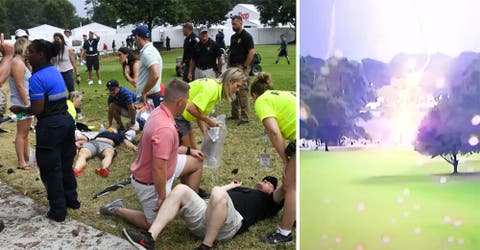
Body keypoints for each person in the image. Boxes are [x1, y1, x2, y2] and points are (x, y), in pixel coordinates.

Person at [99, 79, 204, 231]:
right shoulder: (165, 128)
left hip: (166, 166)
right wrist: (162, 197)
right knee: (154, 224)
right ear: (180, 102)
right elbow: (158, 169)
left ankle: (190, 203)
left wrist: (189, 151)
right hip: (149, 182)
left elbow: (167, 151)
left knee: (196, 162)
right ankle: (117, 209)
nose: (187, 104)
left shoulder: (160, 110)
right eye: (187, 100)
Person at [10, 39, 79, 222]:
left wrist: (19, 110)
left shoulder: (36, 79)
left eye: (31, 52)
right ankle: (72, 200)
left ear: (41, 54)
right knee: (65, 163)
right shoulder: (54, 72)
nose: (28, 56)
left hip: (50, 126)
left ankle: (58, 211)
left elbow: (37, 109)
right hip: (66, 122)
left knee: (50, 168)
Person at [122, 176, 284, 250]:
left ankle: (206, 246)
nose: (265, 182)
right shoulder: (243, 189)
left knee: (217, 193)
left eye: (270, 183)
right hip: (207, 214)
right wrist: (231, 185)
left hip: (229, 224)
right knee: (181, 189)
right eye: (264, 179)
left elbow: (285, 188)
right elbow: (217, 195)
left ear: (273, 192)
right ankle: (149, 238)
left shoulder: (268, 202)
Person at [250, 72, 296, 244]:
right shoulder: (282, 94)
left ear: (254, 95)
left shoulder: (261, 101)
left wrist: (285, 159)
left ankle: (284, 233)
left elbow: (274, 131)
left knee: (291, 186)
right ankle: (295, 215)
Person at [176, 68, 246, 149]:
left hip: (183, 117)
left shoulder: (216, 89)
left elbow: (199, 112)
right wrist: (209, 121)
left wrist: (206, 134)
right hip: (177, 114)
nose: (237, 90)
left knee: (194, 150)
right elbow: (191, 108)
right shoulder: (212, 89)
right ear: (230, 81)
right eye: (237, 86)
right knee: (188, 152)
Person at [8, 37, 33, 170]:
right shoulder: (17, 62)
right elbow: (19, 85)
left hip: (23, 102)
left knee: (25, 133)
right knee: (21, 133)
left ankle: (26, 158)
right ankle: (21, 162)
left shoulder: (21, 62)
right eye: (28, 48)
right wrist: (27, 103)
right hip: (21, 103)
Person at [73, 127, 138, 178]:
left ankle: (104, 169)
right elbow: (85, 138)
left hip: (107, 144)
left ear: (116, 131)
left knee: (109, 155)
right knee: (83, 154)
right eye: (110, 127)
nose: (112, 127)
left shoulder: (120, 135)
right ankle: (77, 170)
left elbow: (127, 142)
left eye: (114, 127)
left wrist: (134, 147)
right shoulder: (101, 133)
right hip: (94, 142)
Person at [228, 15, 255, 126]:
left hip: (241, 67)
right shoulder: (233, 37)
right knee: (232, 90)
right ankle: (235, 114)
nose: (233, 26)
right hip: (232, 66)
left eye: (234, 24)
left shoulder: (246, 36)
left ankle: (245, 117)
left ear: (240, 23)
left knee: (242, 91)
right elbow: (231, 51)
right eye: (232, 24)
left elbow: (251, 52)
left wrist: (245, 67)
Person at [132, 25, 164, 107]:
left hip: (149, 98)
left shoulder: (148, 53)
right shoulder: (150, 50)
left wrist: (144, 91)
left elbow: (155, 74)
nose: (134, 40)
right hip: (149, 97)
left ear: (137, 37)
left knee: (145, 120)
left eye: (134, 38)